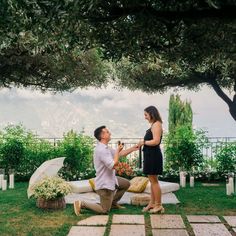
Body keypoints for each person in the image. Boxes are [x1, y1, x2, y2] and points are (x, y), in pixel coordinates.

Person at [74, 125, 139, 215]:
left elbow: (121, 154)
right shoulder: (101, 150)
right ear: (102, 136)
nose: (110, 133)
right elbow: (113, 165)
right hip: (105, 184)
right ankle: (82, 204)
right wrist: (117, 151)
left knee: (126, 184)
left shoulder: (106, 148)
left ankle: (112, 202)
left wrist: (134, 148)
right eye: (108, 132)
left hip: (111, 179)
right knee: (104, 210)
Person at [138, 106, 164, 213]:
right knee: (152, 181)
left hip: (153, 156)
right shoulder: (154, 125)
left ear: (151, 114)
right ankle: (152, 203)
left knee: (154, 182)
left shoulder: (157, 124)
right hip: (150, 155)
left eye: (146, 115)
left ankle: (158, 205)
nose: (145, 117)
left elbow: (156, 141)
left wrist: (144, 142)